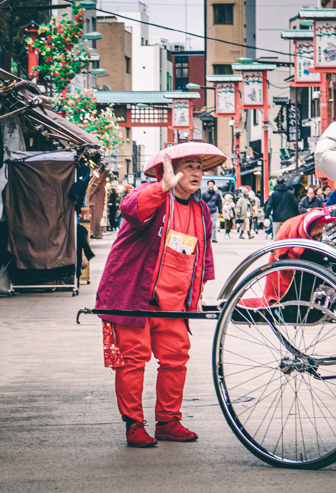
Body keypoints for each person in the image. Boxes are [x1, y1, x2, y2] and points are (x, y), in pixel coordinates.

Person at [95, 142, 224, 449]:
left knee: (176, 360)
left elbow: (201, 255)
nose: (196, 172)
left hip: (175, 304)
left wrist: (197, 295)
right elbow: (131, 209)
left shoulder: (201, 209)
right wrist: (161, 188)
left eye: (199, 167)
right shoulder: (152, 197)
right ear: (170, 170)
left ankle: (168, 422)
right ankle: (134, 425)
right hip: (135, 297)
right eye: (189, 166)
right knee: (132, 361)